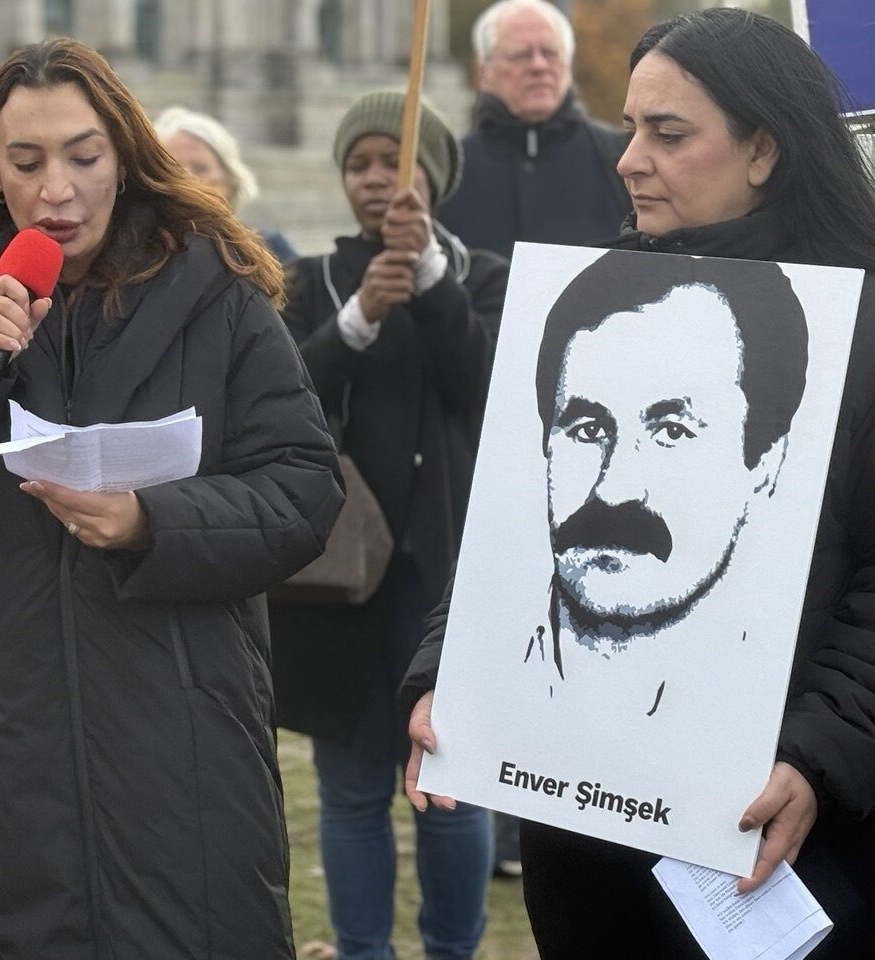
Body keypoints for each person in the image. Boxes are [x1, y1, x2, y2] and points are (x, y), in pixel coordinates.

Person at [0, 38, 342, 960]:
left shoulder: (216, 292)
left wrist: (156, 523)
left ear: (125, 157)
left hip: (177, 743)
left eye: (82, 157)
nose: (55, 190)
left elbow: (303, 488)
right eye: (26, 163)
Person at [405, 9, 875, 957]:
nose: (628, 159)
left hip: (780, 841)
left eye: (668, 133)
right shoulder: (584, 303)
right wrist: (447, 678)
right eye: (629, 128)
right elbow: (510, 527)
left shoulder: (858, 328)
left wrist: (817, 756)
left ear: (764, 151)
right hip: (580, 842)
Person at [269, 90, 505, 960]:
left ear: (431, 178)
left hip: (448, 576)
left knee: (454, 789)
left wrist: (433, 285)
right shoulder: (309, 283)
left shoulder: (480, 275)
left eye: (395, 163)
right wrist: (359, 318)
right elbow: (285, 397)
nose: (376, 180)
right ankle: (362, 949)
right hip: (339, 580)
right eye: (360, 164)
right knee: (352, 787)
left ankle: (454, 947)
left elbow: (488, 389)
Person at [530, 251, 806, 707]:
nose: (614, 488)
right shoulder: (484, 662)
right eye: (588, 431)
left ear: (764, 465)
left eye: (672, 432)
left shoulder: (771, 701)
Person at [436, 0, 631, 259]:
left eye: (551, 53)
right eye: (520, 54)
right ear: (483, 72)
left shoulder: (624, 162)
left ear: (568, 64)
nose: (538, 66)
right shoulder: (446, 173)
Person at [155, 105, 297, 263]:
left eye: (200, 168)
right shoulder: (139, 256)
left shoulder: (269, 250)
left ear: (230, 179)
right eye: (171, 169)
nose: (186, 180)